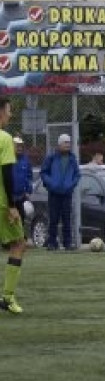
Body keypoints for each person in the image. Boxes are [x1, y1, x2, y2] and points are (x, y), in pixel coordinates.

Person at [0, 99, 28, 314]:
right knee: (18, 243)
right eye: (9, 111)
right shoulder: (5, 138)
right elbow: (7, 173)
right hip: (1, 203)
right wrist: (11, 205)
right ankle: (7, 296)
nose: (10, 115)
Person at [40, 133, 80, 250]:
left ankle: (67, 242)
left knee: (67, 218)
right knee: (54, 219)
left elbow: (77, 174)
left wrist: (71, 184)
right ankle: (52, 242)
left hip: (67, 193)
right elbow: (44, 172)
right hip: (54, 193)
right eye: (65, 143)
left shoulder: (72, 159)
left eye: (69, 143)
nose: (68, 145)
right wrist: (51, 184)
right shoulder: (51, 157)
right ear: (59, 144)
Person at [12, 136, 34, 224]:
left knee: (21, 220)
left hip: (21, 196)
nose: (19, 148)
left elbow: (29, 176)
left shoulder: (25, 160)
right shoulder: (8, 159)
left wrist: (28, 190)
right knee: (10, 221)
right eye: (17, 146)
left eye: (21, 146)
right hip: (9, 197)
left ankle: (21, 236)